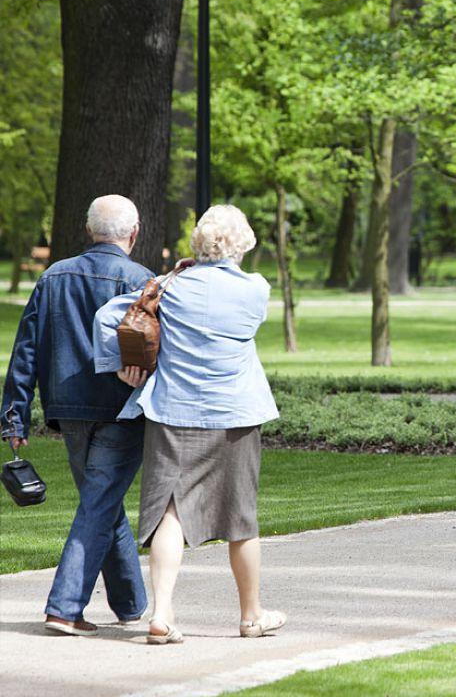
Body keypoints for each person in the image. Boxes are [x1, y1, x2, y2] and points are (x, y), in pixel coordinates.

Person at [94, 204, 284, 644]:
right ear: (240, 244)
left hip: (172, 412)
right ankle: (251, 616)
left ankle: (161, 613)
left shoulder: (168, 285)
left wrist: (123, 364)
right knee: (241, 518)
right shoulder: (255, 289)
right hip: (235, 415)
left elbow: (109, 317)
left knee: (169, 513)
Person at [1, 195, 155, 636]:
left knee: (100, 500)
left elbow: (25, 350)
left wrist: (15, 414)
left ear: (89, 231)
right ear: (134, 231)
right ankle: (65, 607)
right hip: (121, 408)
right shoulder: (142, 280)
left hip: (68, 408)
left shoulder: (54, 276)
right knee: (100, 501)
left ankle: (129, 603)